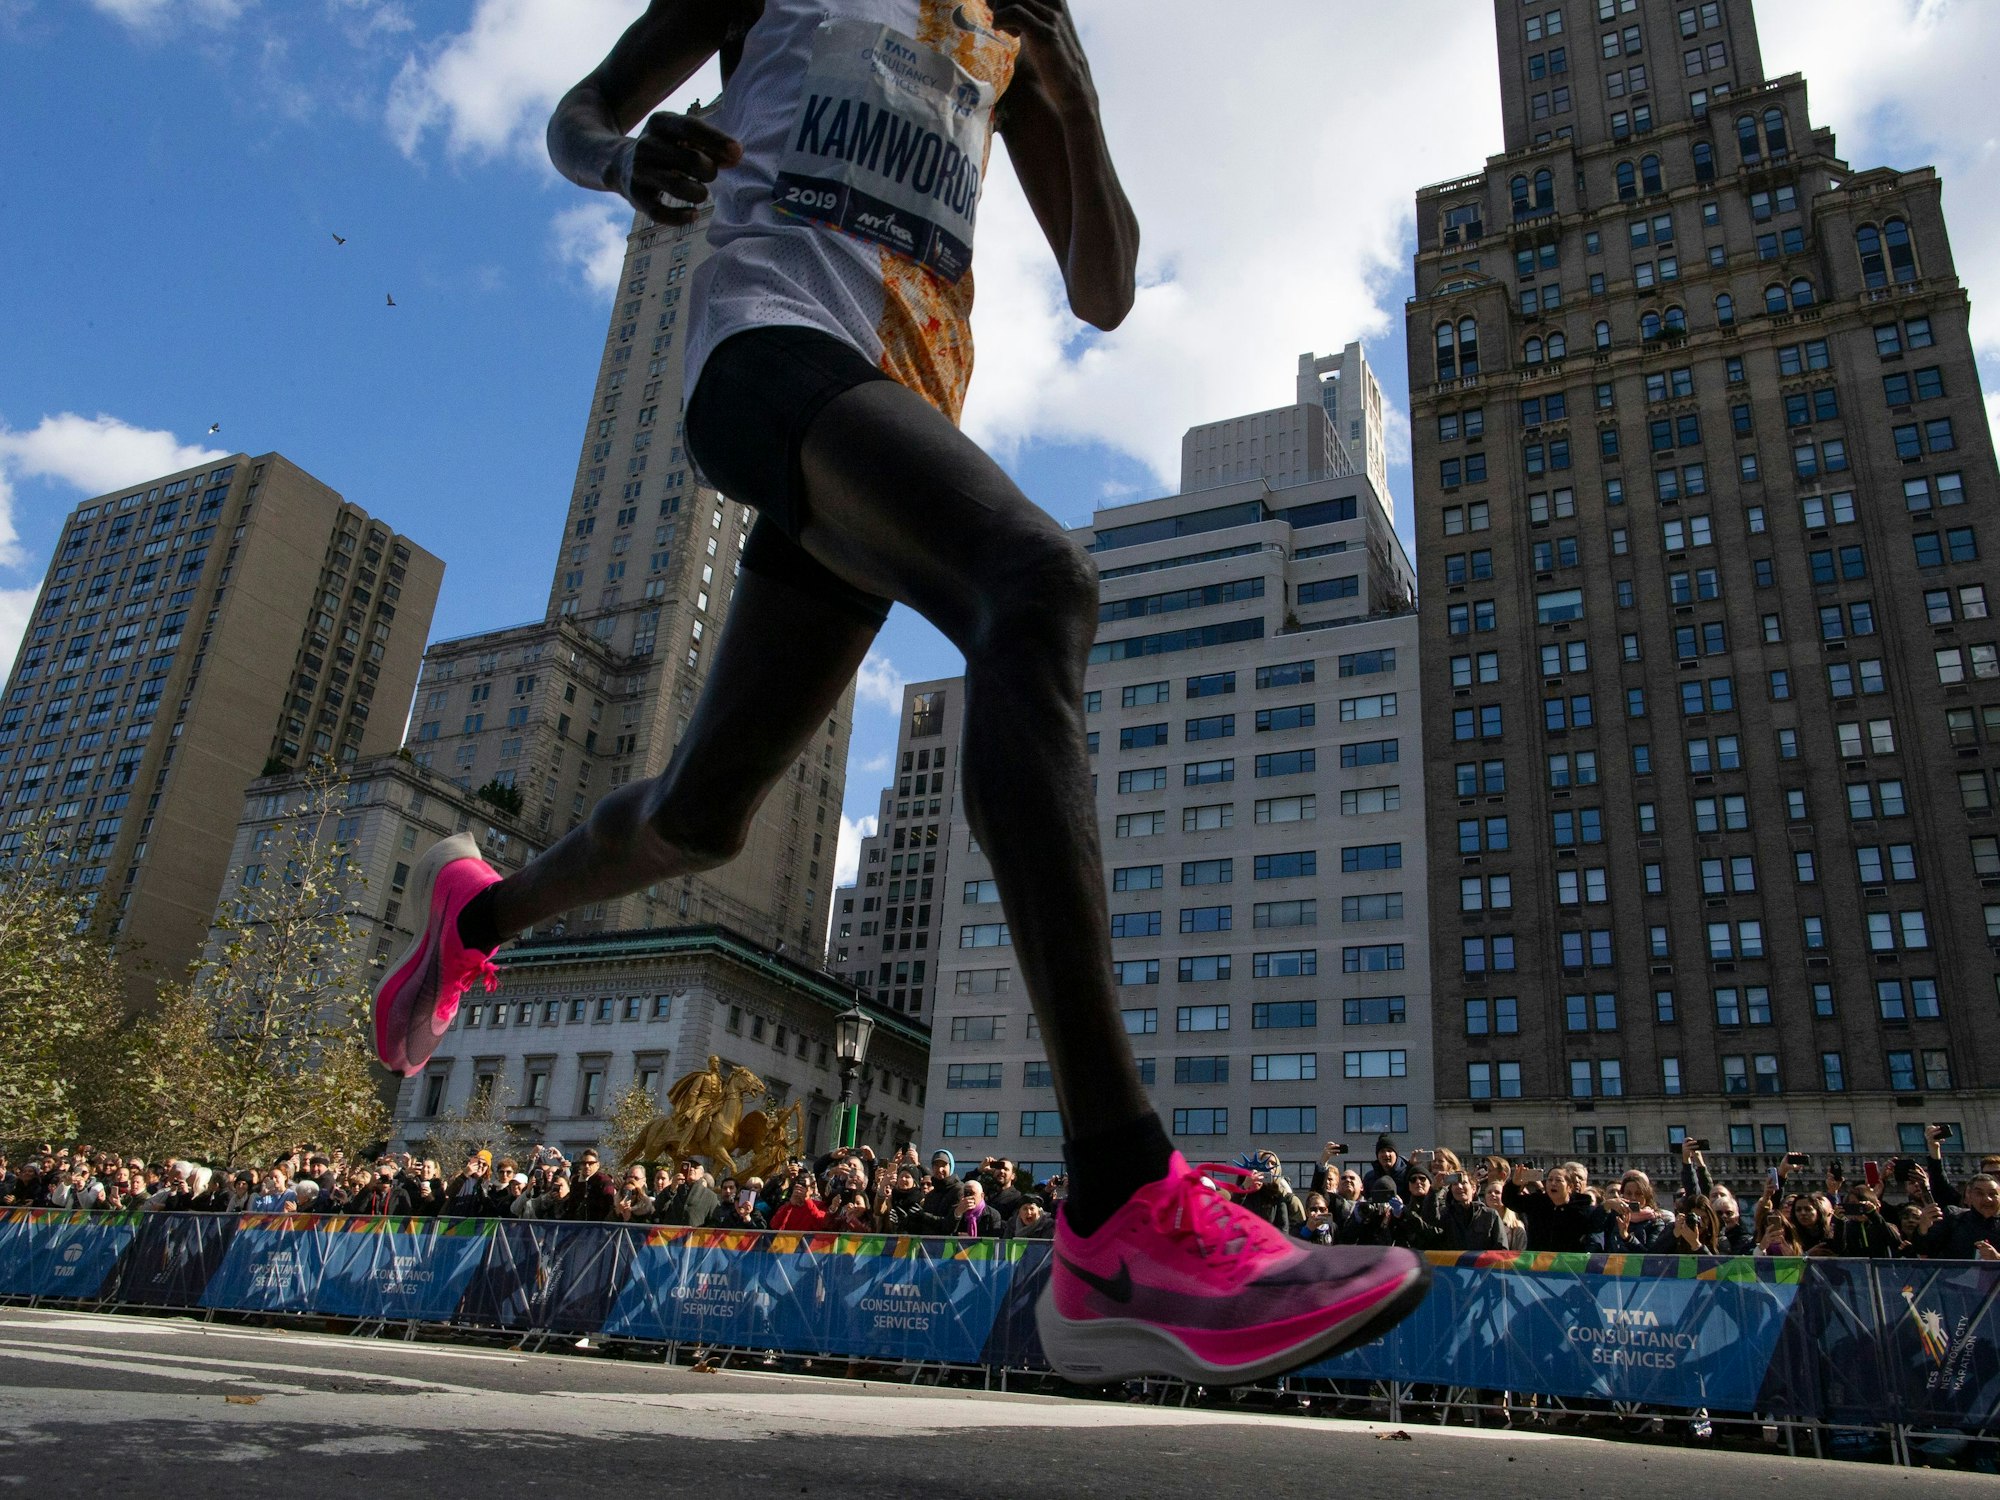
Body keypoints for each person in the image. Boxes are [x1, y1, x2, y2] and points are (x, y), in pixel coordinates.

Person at [366, 0, 1425, 1386]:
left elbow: (1104, 288)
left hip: (894, 413)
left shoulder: (1012, 32)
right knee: (1037, 584)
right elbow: (582, 113)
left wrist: (1071, 84)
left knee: (703, 816)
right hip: (765, 351)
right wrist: (627, 163)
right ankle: (1119, 1205)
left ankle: (479, 913)